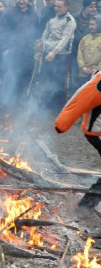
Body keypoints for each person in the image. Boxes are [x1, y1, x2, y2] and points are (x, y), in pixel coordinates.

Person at [55, 71, 101, 212]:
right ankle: (85, 207)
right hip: (96, 131)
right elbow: (80, 99)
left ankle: (85, 205)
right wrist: (62, 124)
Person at [34, 0, 76, 113]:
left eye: (59, 6)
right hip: (48, 53)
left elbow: (65, 39)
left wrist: (54, 52)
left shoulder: (70, 21)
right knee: (45, 78)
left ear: (66, 7)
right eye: (55, 6)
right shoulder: (52, 20)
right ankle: (46, 105)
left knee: (58, 81)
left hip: (61, 56)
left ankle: (58, 108)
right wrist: (40, 48)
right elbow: (45, 35)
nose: (56, 8)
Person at [70, 0, 98, 93]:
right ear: (84, 7)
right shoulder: (75, 18)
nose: (94, 9)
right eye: (91, 7)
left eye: (95, 7)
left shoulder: (97, 19)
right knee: (75, 80)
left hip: (92, 55)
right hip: (76, 53)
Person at [77, 15, 101, 83]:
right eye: (90, 24)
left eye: (93, 25)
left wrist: (97, 69)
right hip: (84, 73)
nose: (90, 27)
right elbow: (79, 54)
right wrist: (82, 67)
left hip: (97, 74)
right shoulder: (85, 39)